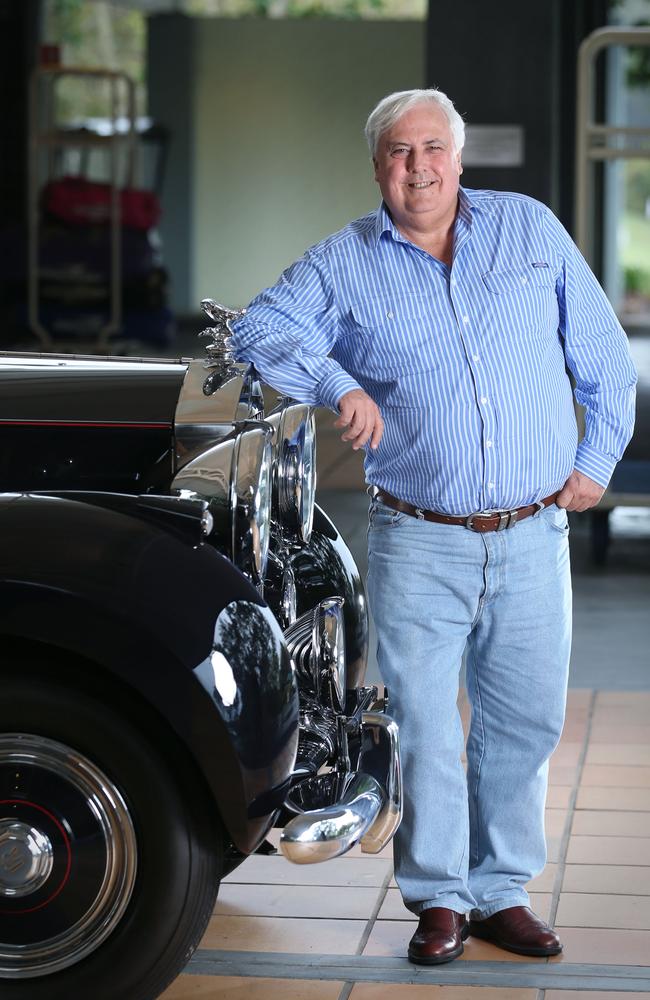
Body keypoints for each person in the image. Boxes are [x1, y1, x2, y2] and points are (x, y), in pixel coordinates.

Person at [228, 88, 637, 964]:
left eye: (432, 149)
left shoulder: (528, 230)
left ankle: (502, 892)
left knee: (523, 720)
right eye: (399, 153)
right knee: (424, 724)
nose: (418, 167)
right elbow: (258, 329)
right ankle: (440, 900)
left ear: (457, 158)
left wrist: (595, 462)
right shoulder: (346, 261)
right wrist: (338, 383)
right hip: (420, 535)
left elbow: (602, 354)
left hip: (533, 532)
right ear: (378, 167)